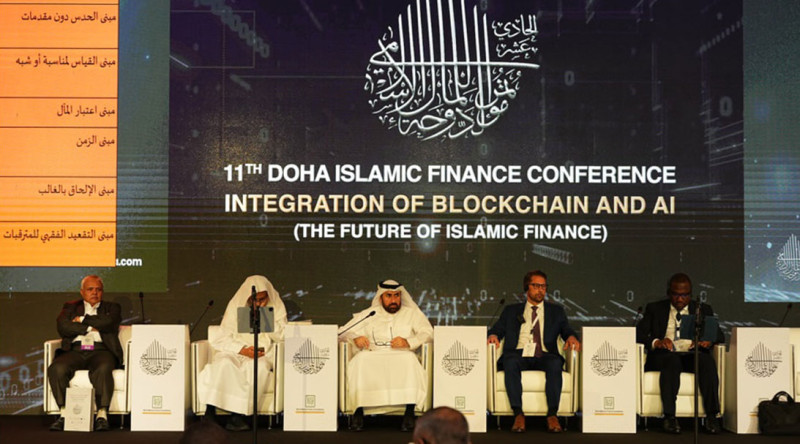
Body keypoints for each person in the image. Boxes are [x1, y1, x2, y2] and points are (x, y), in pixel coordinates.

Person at [487, 270, 580, 433]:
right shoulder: (511, 310)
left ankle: (552, 415)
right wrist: (493, 335)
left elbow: (566, 329)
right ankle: (518, 414)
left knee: (555, 363)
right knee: (510, 362)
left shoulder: (556, 311)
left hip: (544, 354)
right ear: (527, 287)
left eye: (543, 286)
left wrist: (571, 337)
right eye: (536, 286)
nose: (540, 290)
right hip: (518, 353)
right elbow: (497, 329)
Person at [338, 279, 433, 431]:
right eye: (388, 296)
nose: (393, 300)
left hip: (401, 354)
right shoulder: (369, 314)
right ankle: (358, 411)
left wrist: (409, 342)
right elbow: (342, 332)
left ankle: (409, 412)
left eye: (396, 295)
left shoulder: (412, 314)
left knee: (410, 360)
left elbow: (428, 333)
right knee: (361, 360)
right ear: (381, 297)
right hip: (373, 354)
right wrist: (355, 338)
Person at [636, 272, 724, 434]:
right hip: (664, 356)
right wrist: (657, 342)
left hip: (691, 354)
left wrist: (707, 341)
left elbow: (719, 335)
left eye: (685, 295)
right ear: (669, 293)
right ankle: (669, 417)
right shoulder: (655, 308)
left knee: (706, 362)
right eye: (676, 294)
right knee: (672, 361)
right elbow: (638, 334)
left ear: (690, 294)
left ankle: (712, 417)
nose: (680, 299)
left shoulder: (702, 309)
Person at [196, 275, 287, 431]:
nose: (260, 303)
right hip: (236, 350)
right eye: (255, 300)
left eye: (263, 299)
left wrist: (266, 319)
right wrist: (243, 350)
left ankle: (239, 416)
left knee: (257, 369)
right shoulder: (236, 305)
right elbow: (222, 337)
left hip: (262, 352)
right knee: (224, 364)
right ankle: (210, 412)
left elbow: (283, 336)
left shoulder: (276, 304)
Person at [47, 275, 123, 432]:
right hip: (75, 350)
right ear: (82, 292)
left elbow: (108, 323)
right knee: (57, 368)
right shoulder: (70, 307)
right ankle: (65, 414)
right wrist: (89, 328)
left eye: (98, 289)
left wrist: (82, 320)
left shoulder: (112, 307)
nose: (94, 292)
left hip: (101, 350)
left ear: (102, 292)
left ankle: (102, 415)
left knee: (103, 368)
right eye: (90, 289)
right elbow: (63, 326)